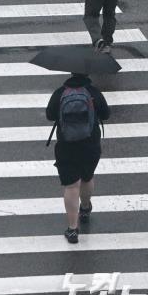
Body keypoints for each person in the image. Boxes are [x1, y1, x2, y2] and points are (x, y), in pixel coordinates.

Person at [46, 73, 110, 244]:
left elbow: (50, 115)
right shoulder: (94, 92)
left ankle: (73, 229)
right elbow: (106, 114)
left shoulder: (60, 93)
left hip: (66, 145)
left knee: (71, 185)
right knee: (87, 177)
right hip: (91, 144)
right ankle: (86, 208)